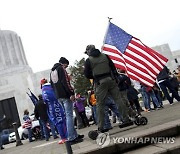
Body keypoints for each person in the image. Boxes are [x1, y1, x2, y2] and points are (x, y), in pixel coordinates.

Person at [84, 44, 133, 132]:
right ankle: (126, 119)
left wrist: (95, 75)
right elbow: (113, 67)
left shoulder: (89, 60)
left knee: (100, 104)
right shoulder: (105, 56)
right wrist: (115, 77)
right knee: (118, 100)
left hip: (100, 82)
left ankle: (101, 126)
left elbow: (87, 74)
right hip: (111, 80)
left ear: (88, 52)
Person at [50, 57, 84, 144]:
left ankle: (74, 134)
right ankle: (72, 137)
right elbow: (65, 82)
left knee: (67, 116)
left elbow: (52, 86)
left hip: (58, 96)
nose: (66, 68)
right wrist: (71, 93)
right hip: (65, 96)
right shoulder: (61, 68)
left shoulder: (52, 71)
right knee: (69, 116)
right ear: (64, 64)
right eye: (66, 66)